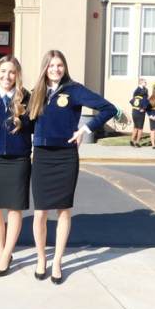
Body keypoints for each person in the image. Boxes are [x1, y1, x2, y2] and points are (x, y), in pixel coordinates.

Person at [28, 50, 116, 285]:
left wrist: (85, 130)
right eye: (51, 65)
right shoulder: (36, 92)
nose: (55, 69)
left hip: (66, 156)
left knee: (64, 211)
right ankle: (40, 259)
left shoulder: (74, 90)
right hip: (43, 156)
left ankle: (57, 261)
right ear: (45, 68)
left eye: (59, 65)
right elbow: (26, 120)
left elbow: (109, 108)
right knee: (40, 213)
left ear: (64, 67)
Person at [0, 55, 32, 277]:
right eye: (3, 71)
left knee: (14, 209)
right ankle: (2, 250)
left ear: (17, 75)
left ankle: (6, 254)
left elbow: (35, 125)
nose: (7, 76)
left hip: (19, 158)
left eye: (12, 72)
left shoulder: (27, 97)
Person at [129, 79, 149, 147]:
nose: (146, 83)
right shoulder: (140, 91)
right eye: (145, 82)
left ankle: (132, 140)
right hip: (139, 111)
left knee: (136, 127)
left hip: (135, 111)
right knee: (140, 127)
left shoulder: (142, 90)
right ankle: (137, 142)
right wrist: (143, 108)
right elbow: (143, 100)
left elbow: (133, 101)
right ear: (141, 82)